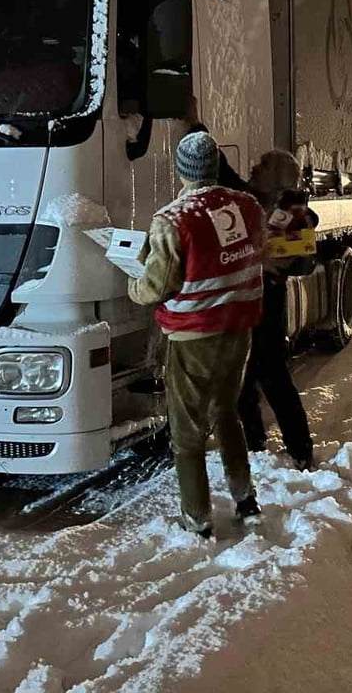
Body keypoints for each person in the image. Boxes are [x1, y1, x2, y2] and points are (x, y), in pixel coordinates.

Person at [127, 131, 266, 537]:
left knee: (187, 432)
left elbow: (155, 286)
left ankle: (198, 519)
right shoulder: (247, 206)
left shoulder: (172, 219)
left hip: (194, 337)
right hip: (238, 331)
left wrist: (134, 282)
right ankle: (246, 500)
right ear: (217, 164)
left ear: (180, 169)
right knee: (226, 413)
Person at [236, 152, 317, 470]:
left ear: (281, 179)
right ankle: (254, 444)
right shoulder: (255, 200)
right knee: (244, 378)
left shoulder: (295, 214)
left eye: (264, 165)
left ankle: (301, 451)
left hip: (267, 304)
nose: (254, 166)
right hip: (248, 300)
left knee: (274, 379)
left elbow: (293, 260)